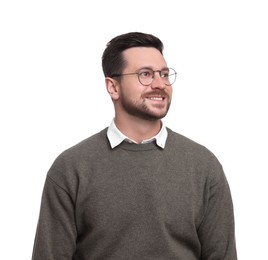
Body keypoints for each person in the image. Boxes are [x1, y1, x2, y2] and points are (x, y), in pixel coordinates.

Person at [32, 32, 237, 259]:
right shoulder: (71, 168)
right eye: (145, 75)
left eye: (164, 74)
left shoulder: (203, 165)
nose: (160, 84)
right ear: (113, 87)